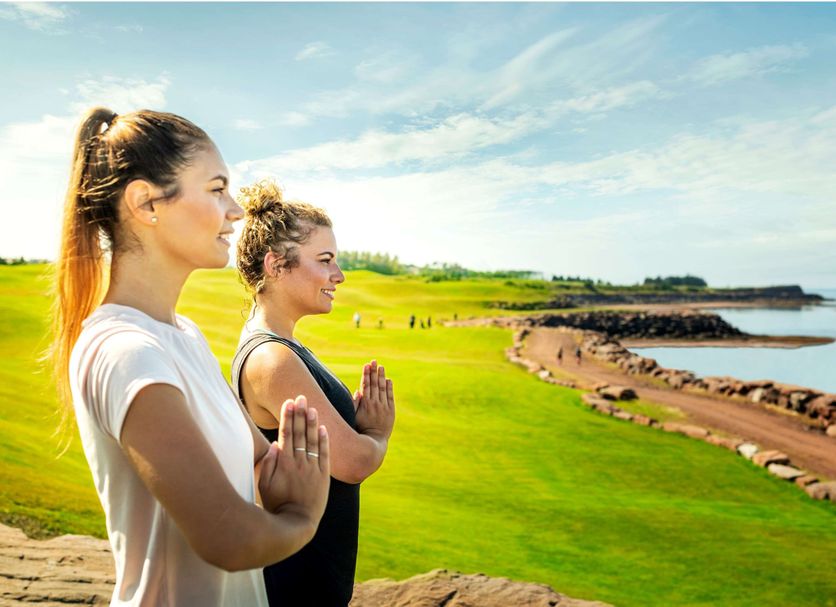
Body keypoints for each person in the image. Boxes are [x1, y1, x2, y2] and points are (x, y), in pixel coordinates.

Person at [52, 108, 331, 606]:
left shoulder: (186, 336)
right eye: (216, 188)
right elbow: (231, 539)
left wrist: (280, 473)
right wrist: (303, 519)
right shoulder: (123, 350)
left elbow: (262, 465)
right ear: (146, 203)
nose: (236, 211)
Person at [232, 180, 396, 607]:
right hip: (295, 585)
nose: (338, 275)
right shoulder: (271, 358)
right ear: (276, 265)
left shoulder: (285, 346)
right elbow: (353, 463)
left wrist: (356, 426)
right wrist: (376, 434)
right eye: (325, 261)